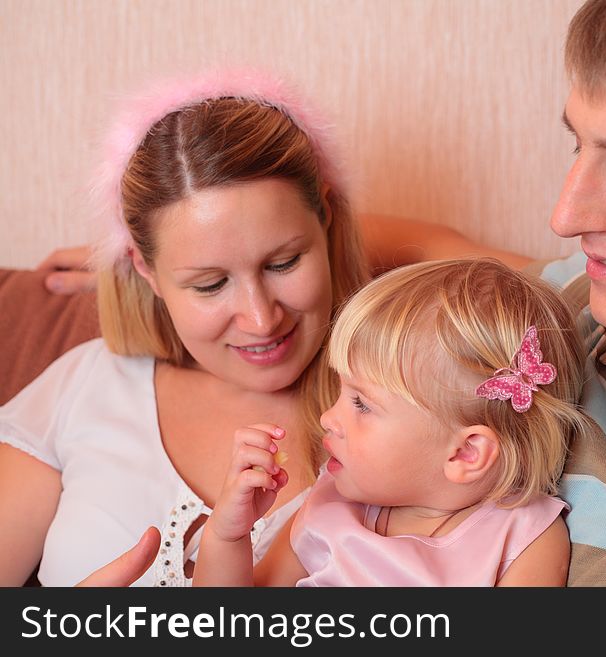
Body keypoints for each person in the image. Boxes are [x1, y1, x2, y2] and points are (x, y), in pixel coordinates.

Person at [27, 0, 606, 587]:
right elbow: (441, 260)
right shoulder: (542, 323)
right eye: (577, 146)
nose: (566, 213)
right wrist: (162, 255)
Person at [0, 67, 372, 586]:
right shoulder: (85, 386)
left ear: (326, 220)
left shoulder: (402, 402)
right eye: (209, 284)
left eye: (283, 262)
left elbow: (526, 278)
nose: (261, 318)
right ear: (145, 268)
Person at [192, 258, 591, 586]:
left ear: (466, 453)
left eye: (361, 404)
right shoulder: (329, 506)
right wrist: (228, 534)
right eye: (342, 392)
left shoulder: (523, 539)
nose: (328, 418)